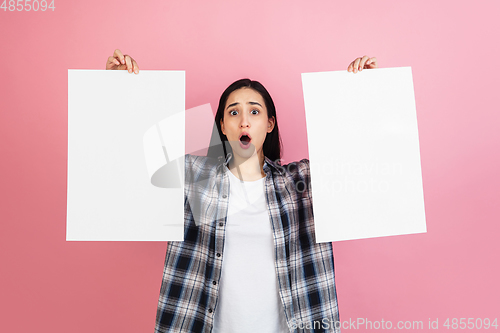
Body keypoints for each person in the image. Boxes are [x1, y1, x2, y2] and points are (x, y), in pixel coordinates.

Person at [106, 49, 378, 333]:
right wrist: (116, 90)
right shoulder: (193, 177)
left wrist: (363, 93)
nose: (244, 121)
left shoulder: (302, 182)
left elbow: (361, 166)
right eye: (233, 112)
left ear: (269, 124)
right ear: (223, 126)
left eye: (254, 111)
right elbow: (124, 171)